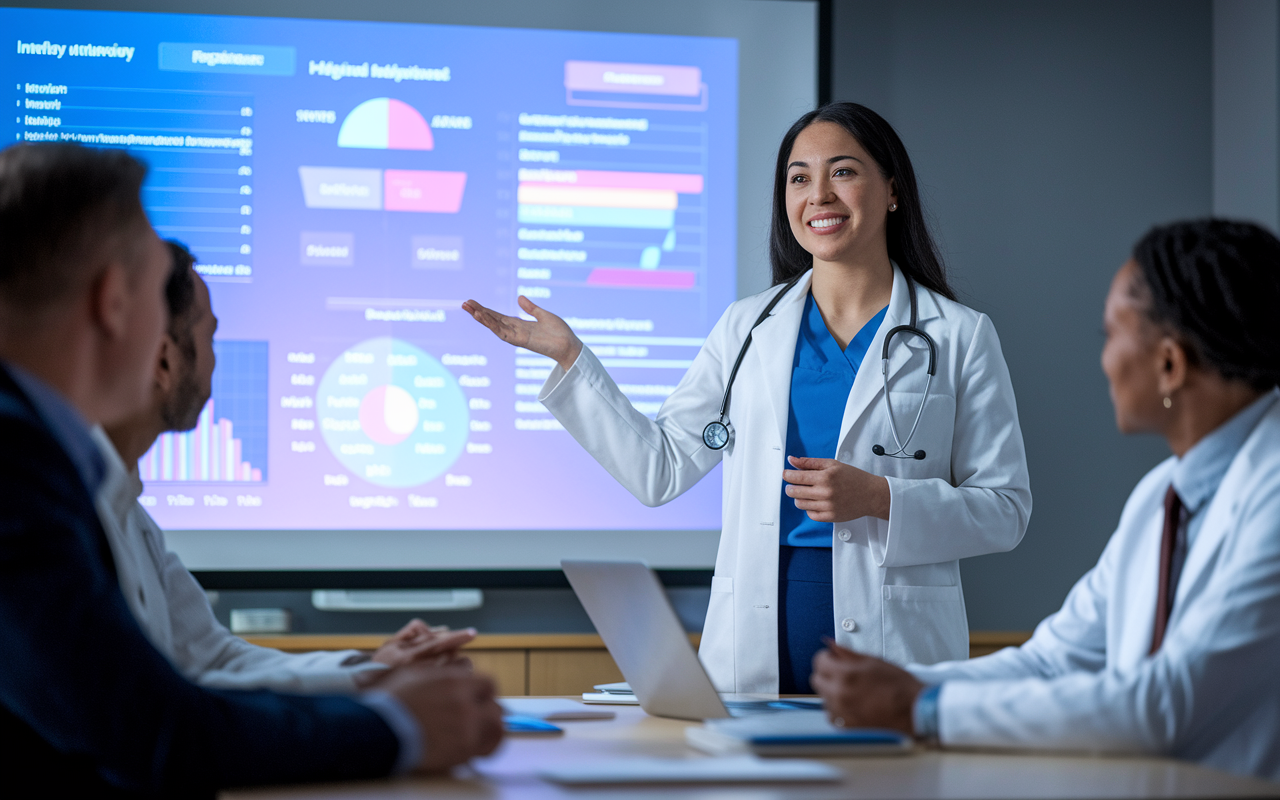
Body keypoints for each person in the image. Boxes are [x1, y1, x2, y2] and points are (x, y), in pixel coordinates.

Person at [464, 102, 1032, 694]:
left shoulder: (958, 334)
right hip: (756, 637)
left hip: (896, 643)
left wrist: (881, 496)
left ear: (892, 190)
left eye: (842, 172)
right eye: (799, 177)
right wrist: (572, 361)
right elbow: (659, 470)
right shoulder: (746, 328)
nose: (819, 196)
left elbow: (1005, 510)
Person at [0, 142, 502, 796]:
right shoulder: (17, 475)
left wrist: (371, 680)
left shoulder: (57, 469)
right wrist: (393, 725)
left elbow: (176, 684)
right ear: (114, 303)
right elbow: (157, 730)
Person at [809, 219, 1280, 781]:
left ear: (1170, 365)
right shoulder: (1162, 497)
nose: (1104, 361)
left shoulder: (1270, 498)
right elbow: (1053, 660)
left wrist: (921, 708)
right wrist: (904, 685)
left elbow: (1162, 705)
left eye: (1111, 336)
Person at [94, 241, 476, 694]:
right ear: (163, 359)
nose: (216, 361)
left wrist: (373, 669)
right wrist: (382, 711)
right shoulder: (70, 512)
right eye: (209, 337)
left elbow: (216, 657)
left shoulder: (131, 514)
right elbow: (164, 703)